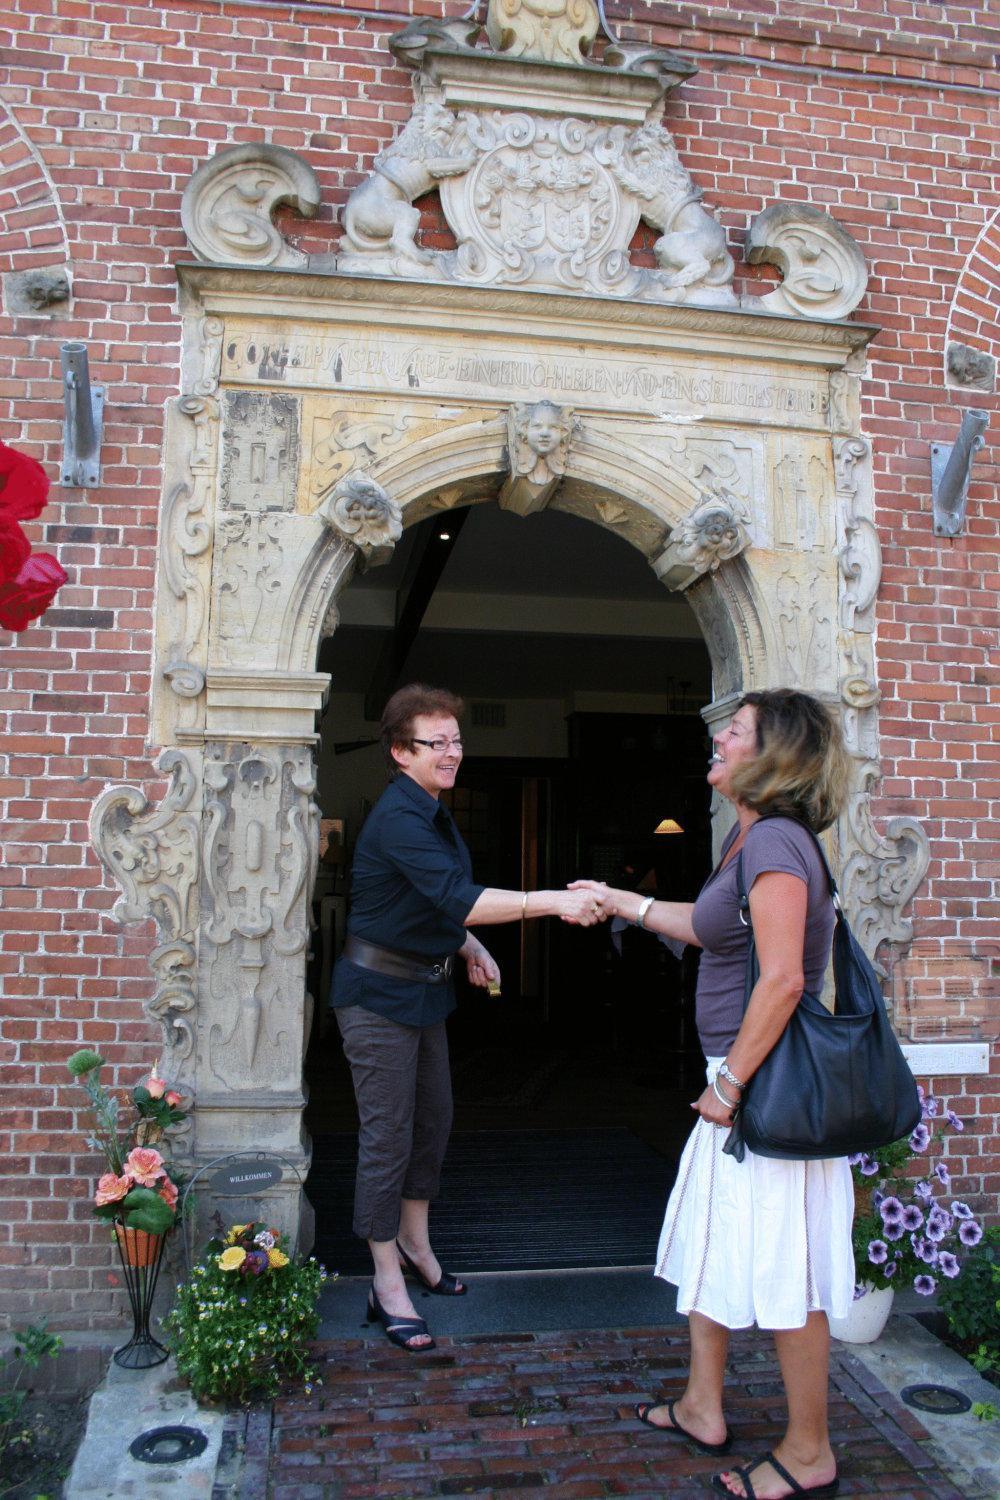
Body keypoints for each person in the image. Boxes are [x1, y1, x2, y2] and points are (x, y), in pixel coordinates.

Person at [576, 689, 852, 1499]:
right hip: (738, 1084)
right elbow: (705, 925)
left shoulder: (772, 843)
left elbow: (784, 979)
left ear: (773, 758)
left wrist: (729, 1086)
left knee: (786, 1271)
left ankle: (809, 1453)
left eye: (733, 732)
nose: (717, 740)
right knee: (711, 1241)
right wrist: (620, 899)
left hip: (764, 1093)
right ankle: (703, 1404)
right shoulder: (748, 840)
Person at [330, 682, 605, 1352]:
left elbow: (430, 903)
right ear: (400, 751)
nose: (452, 754)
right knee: (388, 1135)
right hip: (375, 999)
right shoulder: (400, 816)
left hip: (424, 993)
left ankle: (419, 1245)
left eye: (456, 741)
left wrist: (468, 942)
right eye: (436, 743)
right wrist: (554, 903)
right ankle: (385, 1276)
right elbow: (456, 894)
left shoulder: (431, 809)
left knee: (434, 1121)